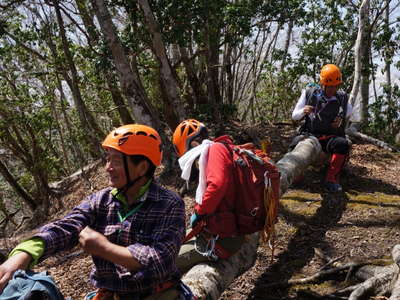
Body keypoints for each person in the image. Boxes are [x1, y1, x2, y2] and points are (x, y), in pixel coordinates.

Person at [0, 124, 187, 300]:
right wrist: (24, 254)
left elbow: (161, 261)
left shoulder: (168, 204)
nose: (108, 168)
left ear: (142, 168)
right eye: (108, 160)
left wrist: (105, 248)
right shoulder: (101, 201)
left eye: (116, 161)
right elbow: (68, 226)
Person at [172, 119, 245, 274]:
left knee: (164, 262)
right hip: (225, 231)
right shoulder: (220, 150)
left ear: (192, 145)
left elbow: (216, 185)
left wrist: (199, 211)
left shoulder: (213, 152)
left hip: (224, 239)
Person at [291, 64, 353, 192]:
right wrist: (304, 111)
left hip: (330, 137)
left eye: (336, 86)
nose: (332, 89)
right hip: (310, 135)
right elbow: (295, 116)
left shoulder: (342, 97)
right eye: (330, 86)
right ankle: (296, 175)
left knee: (343, 144)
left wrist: (340, 119)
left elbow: (352, 114)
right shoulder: (309, 93)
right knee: (295, 143)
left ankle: (331, 179)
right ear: (323, 84)